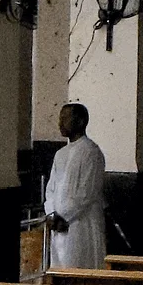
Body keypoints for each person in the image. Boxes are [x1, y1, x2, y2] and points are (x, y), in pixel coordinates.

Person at [44, 103, 106, 271]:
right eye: (60, 118)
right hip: (59, 225)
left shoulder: (91, 152)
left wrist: (63, 216)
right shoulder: (60, 154)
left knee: (81, 270)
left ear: (80, 121)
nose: (60, 123)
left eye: (65, 118)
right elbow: (50, 190)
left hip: (81, 224)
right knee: (59, 271)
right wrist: (51, 214)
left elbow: (87, 193)